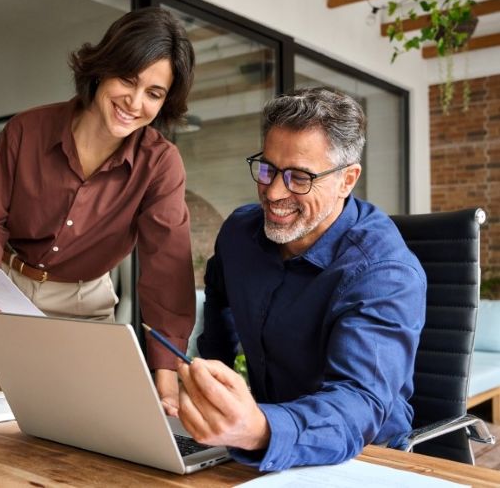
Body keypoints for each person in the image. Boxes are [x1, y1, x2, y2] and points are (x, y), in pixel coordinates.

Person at [176, 88, 426, 471]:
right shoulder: (241, 234)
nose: (274, 193)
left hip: (363, 457)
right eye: (268, 169)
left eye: (299, 178)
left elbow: (358, 402)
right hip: (256, 441)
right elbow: (220, 296)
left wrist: (260, 429)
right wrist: (213, 385)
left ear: (347, 180)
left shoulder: (384, 273)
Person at [0, 7, 196, 412]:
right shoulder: (26, 130)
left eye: (154, 94)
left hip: (88, 301)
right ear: (102, 69)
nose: (134, 103)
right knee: (16, 417)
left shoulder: (161, 162)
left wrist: (167, 378)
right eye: (128, 79)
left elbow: (166, 268)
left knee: (90, 416)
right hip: (12, 293)